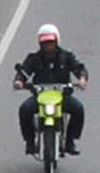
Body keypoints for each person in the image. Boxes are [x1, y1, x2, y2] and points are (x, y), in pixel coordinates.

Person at [12, 23, 86, 155]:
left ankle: (70, 141)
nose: (48, 45)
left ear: (56, 41)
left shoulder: (66, 57)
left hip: (62, 96)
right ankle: (30, 141)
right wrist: (19, 81)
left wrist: (82, 79)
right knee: (25, 110)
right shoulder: (34, 58)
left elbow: (79, 69)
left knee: (78, 109)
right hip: (41, 97)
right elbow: (24, 72)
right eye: (45, 42)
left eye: (51, 42)